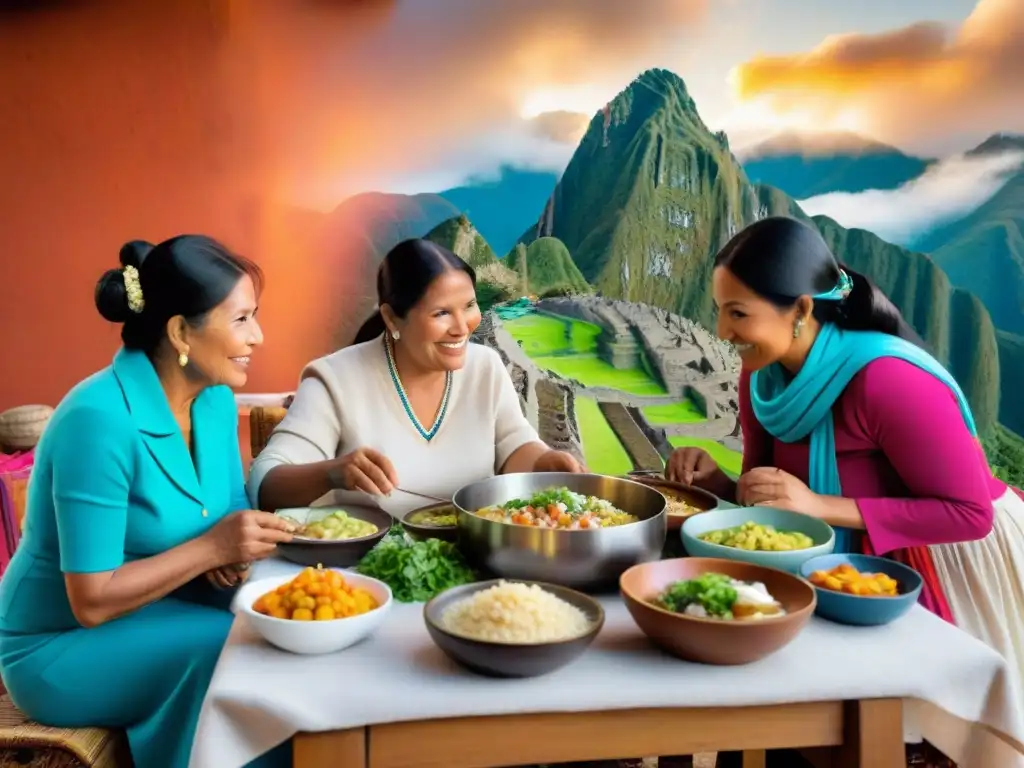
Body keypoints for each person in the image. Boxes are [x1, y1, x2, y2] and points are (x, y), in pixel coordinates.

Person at [666, 217, 1024, 764]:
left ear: (802, 310)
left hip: (937, 559)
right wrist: (720, 482)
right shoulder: (761, 376)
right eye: (719, 308)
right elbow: (771, 499)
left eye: (738, 313)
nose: (722, 330)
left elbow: (969, 512)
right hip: (836, 562)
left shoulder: (886, 380)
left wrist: (817, 506)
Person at [0, 236, 296, 768]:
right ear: (181, 330)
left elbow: (226, 511)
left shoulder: (213, 398)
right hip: (59, 645)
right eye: (241, 319)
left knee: (288, 628)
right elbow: (90, 601)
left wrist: (236, 551)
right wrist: (213, 550)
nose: (258, 335)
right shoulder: (98, 420)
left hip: (164, 608)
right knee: (235, 654)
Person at [250, 238, 584, 515]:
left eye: (469, 306)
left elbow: (512, 447)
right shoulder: (335, 379)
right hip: (363, 570)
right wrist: (332, 473)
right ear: (392, 319)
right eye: (441, 313)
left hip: (471, 555)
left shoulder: (485, 367)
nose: (461, 327)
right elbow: (264, 484)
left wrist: (543, 462)